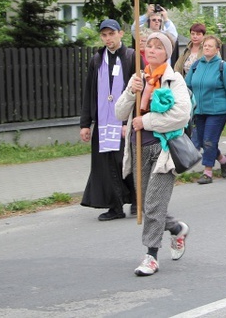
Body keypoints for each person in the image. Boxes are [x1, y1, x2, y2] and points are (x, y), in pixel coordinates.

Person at [114, 31, 192, 276]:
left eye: (158, 47)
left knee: (153, 204)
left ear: (167, 53)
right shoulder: (138, 79)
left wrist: (145, 121)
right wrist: (130, 93)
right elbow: (118, 113)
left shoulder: (174, 80)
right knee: (147, 204)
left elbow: (181, 115)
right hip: (139, 149)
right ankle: (177, 228)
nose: (152, 50)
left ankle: (151, 255)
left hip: (164, 150)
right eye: (149, 46)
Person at [79, 19, 137, 221]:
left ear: (120, 34)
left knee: (126, 162)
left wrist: (127, 123)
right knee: (106, 165)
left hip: (125, 122)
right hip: (103, 122)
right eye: (104, 35)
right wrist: (85, 124)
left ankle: (137, 200)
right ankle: (115, 206)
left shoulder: (131, 57)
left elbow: (138, 93)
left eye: (111, 34)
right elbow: (89, 93)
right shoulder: (97, 60)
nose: (107, 39)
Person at [185, 35, 226, 184]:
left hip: (217, 111)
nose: (206, 48)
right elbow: (186, 86)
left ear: (217, 49)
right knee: (202, 142)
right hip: (199, 110)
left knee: (209, 140)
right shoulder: (196, 66)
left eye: (210, 46)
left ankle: (207, 172)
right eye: (205, 46)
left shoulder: (223, 67)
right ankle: (222, 160)